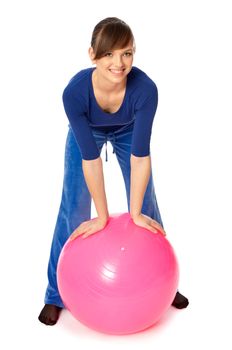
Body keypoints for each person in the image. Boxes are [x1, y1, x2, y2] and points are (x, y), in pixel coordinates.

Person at [38, 17, 189, 326]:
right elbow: (91, 160)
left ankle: (165, 284)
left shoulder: (145, 90)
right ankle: (55, 295)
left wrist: (134, 214)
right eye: (109, 54)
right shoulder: (74, 93)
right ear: (92, 54)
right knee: (73, 209)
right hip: (89, 132)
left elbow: (140, 158)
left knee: (146, 204)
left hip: (128, 131)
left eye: (127, 53)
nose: (119, 63)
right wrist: (103, 216)